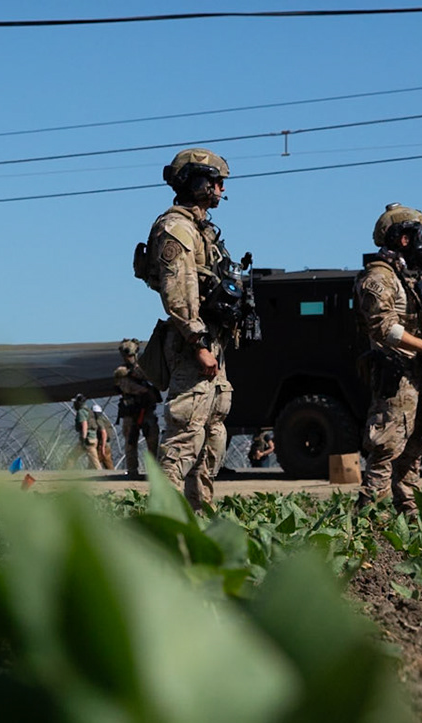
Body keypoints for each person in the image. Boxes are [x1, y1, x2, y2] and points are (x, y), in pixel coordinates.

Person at [143, 148, 242, 510]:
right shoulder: (177, 228)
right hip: (192, 345)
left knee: (212, 436)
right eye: (214, 181)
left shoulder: (203, 230)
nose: (220, 188)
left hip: (210, 343)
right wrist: (198, 342)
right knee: (185, 437)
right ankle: (163, 522)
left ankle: (198, 514)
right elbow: (178, 292)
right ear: (195, 182)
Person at [355, 204, 422, 514]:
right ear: (402, 238)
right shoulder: (379, 276)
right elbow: (382, 327)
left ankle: (408, 509)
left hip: (414, 373)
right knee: (386, 446)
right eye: (417, 234)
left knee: (415, 445)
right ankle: (369, 518)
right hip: (394, 372)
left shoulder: (406, 276)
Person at [112, 338, 161, 478]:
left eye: (131, 355)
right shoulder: (122, 372)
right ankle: (132, 471)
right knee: (131, 441)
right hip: (131, 411)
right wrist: (144, 390)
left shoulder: (144, 369)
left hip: (147, 411)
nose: (129, 358)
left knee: (152, 439)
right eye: (127, 355)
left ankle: (154, 470)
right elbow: (126, 386)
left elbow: (156, 381)